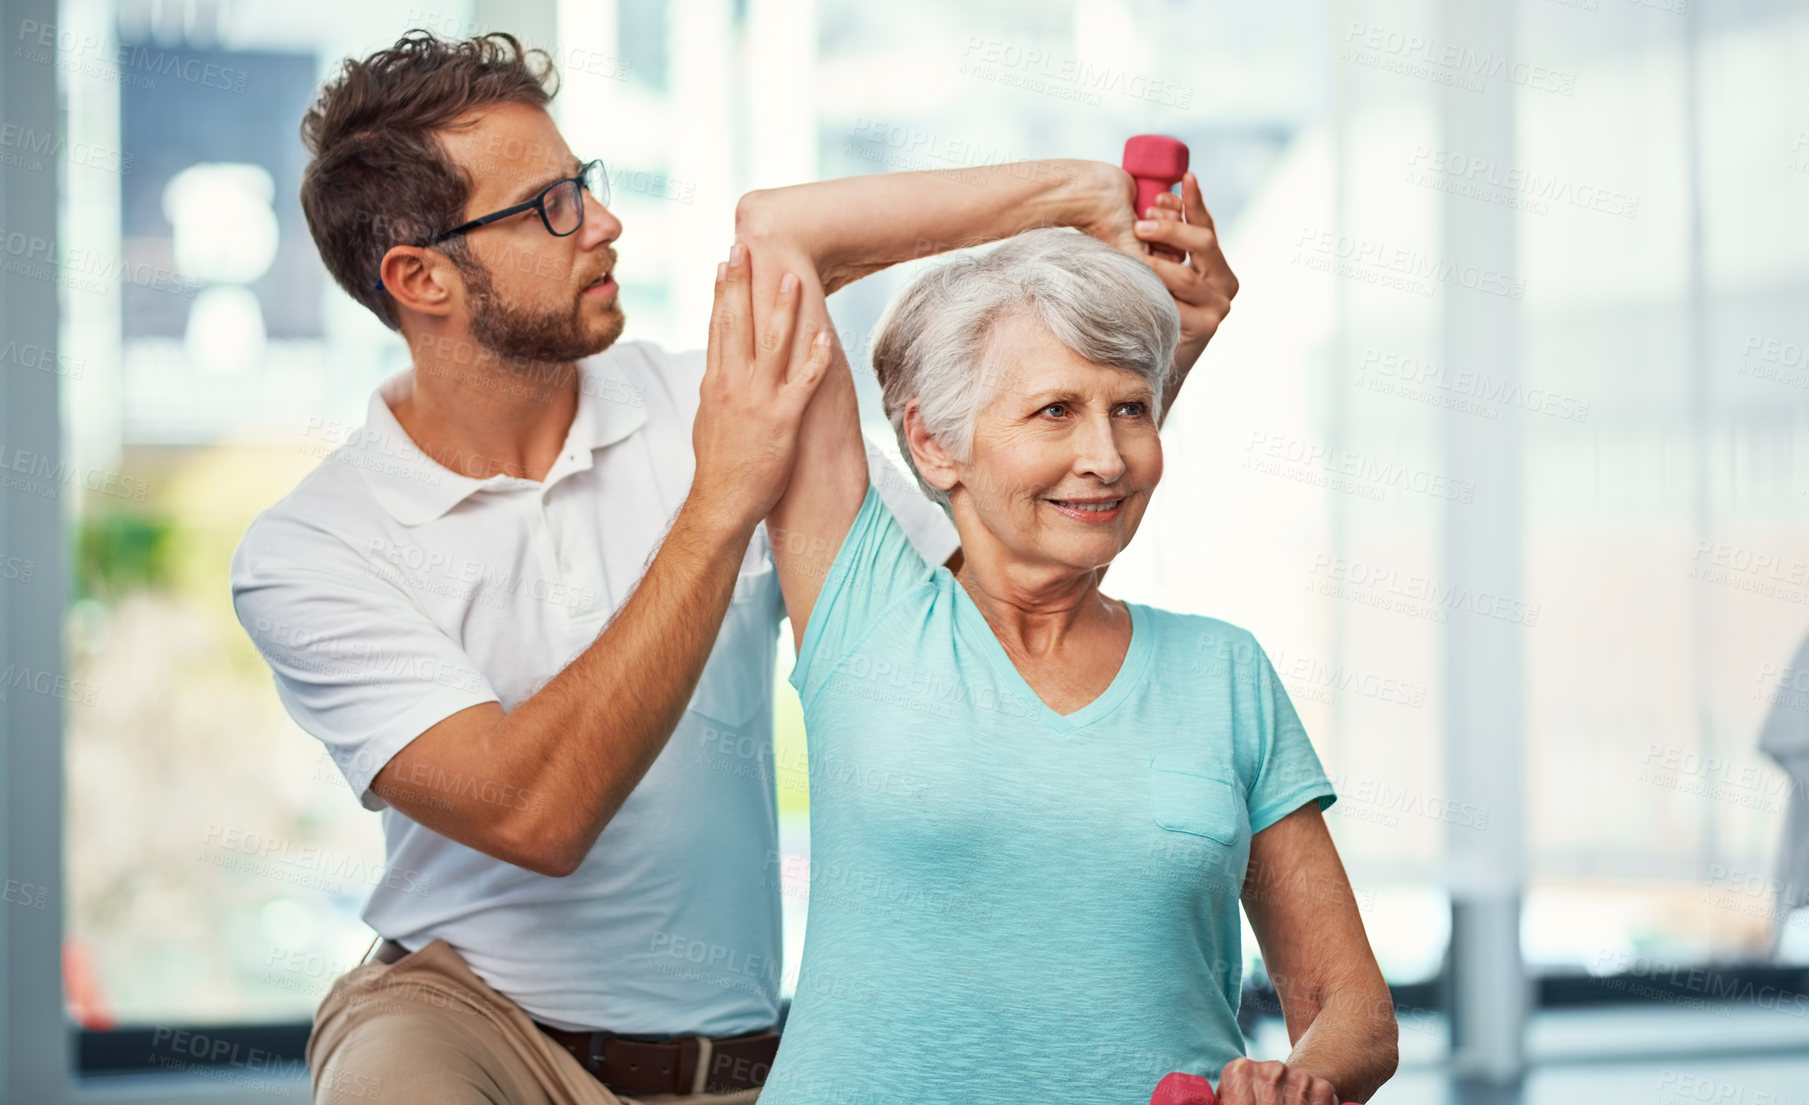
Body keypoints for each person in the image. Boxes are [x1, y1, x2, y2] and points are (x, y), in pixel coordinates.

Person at [227, 28, 1218, 1105]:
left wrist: (1119, 269)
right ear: (421, 278)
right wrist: (721, 496)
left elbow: (990, 617)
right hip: (461, 1020)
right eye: (548, 207)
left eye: (584, 185)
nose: (602, 222)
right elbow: (534, 813)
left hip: (736, 1058)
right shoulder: (311, 550)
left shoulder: (718, 392)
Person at [709, 214, 1396, 1103]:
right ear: (931, 442)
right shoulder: (864, 611)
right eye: (1055, 411)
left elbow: (1351, 1008)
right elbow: (778, 239)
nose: (1105, 458)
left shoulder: (1222, 671)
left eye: (1130, 408)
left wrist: (1291, 1083)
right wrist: (1069, 191)